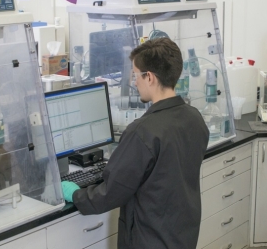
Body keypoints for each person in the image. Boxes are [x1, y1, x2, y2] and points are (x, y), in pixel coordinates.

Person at [61, 38, 209, 249]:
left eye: (136, 74)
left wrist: (76, 194)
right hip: (182, 233)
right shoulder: (194, 118)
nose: (134, 82)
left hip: (150, 238)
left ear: (149, 77)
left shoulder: (143, 132)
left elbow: (110, 192)